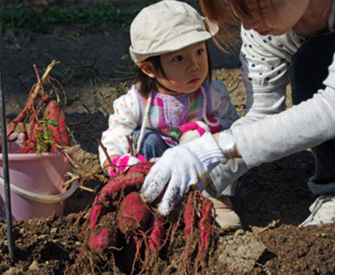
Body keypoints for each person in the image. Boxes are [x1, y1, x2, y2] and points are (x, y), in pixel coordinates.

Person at [141, 0, 335, 228]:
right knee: (311, 64)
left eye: (260, 6)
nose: (249, 22)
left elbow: (332, 108)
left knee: (313, 59)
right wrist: (206, 177)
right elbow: (263, 114)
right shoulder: (262, 33)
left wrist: (211, 148)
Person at [98, 0, 240, 228]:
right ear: (149, 68)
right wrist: (124, 164)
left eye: (199, 52)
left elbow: (234, 129)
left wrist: (207, 130)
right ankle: (151, 202)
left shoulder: (213, 94)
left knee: (210, 139)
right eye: (178, 58)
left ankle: (216, 200)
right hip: (155, 167)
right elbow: (115, 135)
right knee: (146, 139)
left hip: (202, 169)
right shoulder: (136, 101)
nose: (194, 65)